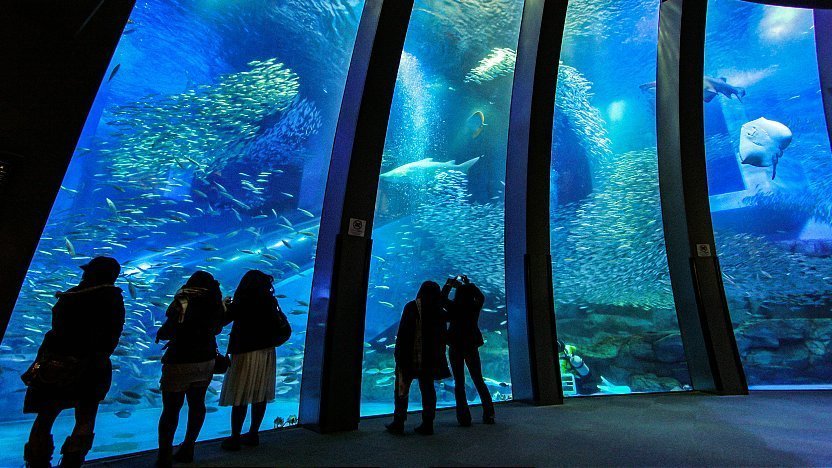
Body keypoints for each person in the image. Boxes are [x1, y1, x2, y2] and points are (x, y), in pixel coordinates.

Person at [22, 256, 125, 468]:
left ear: (90, 273)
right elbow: (112, 336)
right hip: (93, 367)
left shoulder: (70, 296)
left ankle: (36, 462)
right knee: (86, 416)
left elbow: (56, 332)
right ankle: (72, 461)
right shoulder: (112, 299)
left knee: (46, 414)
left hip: (56, 365)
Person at [155, 271, 225, 467]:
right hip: (205, 360)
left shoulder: (183, 299)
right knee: (197, 404)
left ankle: (164, 456)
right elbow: (218, 328)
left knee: (170, 409)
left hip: (180, 360)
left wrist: (161, 333)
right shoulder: (216, 301)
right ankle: (188, 447)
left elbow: (170, 329)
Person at [219, 270, 290, 451]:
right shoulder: (270, 301)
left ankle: (235, 437)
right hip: (266, 352)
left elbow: (222, 321)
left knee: (240, 394)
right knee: (260, 393)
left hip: (244, 353)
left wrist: (224, 305)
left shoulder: (242, 301)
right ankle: (253, 434)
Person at [385, 281, 451, 436]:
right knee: (428, 390)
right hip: (429, 360)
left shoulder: (411, 306)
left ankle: (399, 422)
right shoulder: (439, 310)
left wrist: (398, 355)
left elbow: (402, 333)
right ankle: (428, 424)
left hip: (409, 357)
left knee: (402, 388)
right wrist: (445, 293)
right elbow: (449, 320)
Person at [442, 275, 495, 426]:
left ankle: (464, 417)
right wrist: (468, 284)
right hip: (471, 346)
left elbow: (441, 299)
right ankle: (489, 413)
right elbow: (481, 296)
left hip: (455, 346)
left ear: (457, 294)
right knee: (478, 378)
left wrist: (449, 284)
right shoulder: (473, 308)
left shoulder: (453, 307)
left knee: (459, 382)